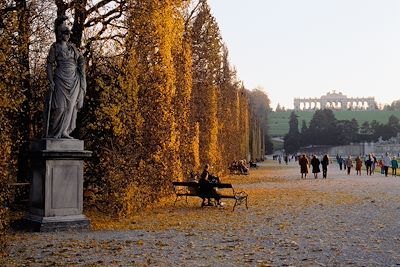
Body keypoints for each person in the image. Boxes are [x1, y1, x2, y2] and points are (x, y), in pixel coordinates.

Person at [45, 15, 86, 139]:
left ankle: (64, 132)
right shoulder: (55, 47)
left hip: (73, 81)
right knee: (60, 108)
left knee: (70, 108)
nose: (67, 35)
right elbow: (49, 64)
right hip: (60, 80)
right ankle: (54, 133)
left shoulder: (72, 48)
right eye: (65, 32)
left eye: (68, 33)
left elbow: (81, 59)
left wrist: (81, 71)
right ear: (59, 33)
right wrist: (51, 80)